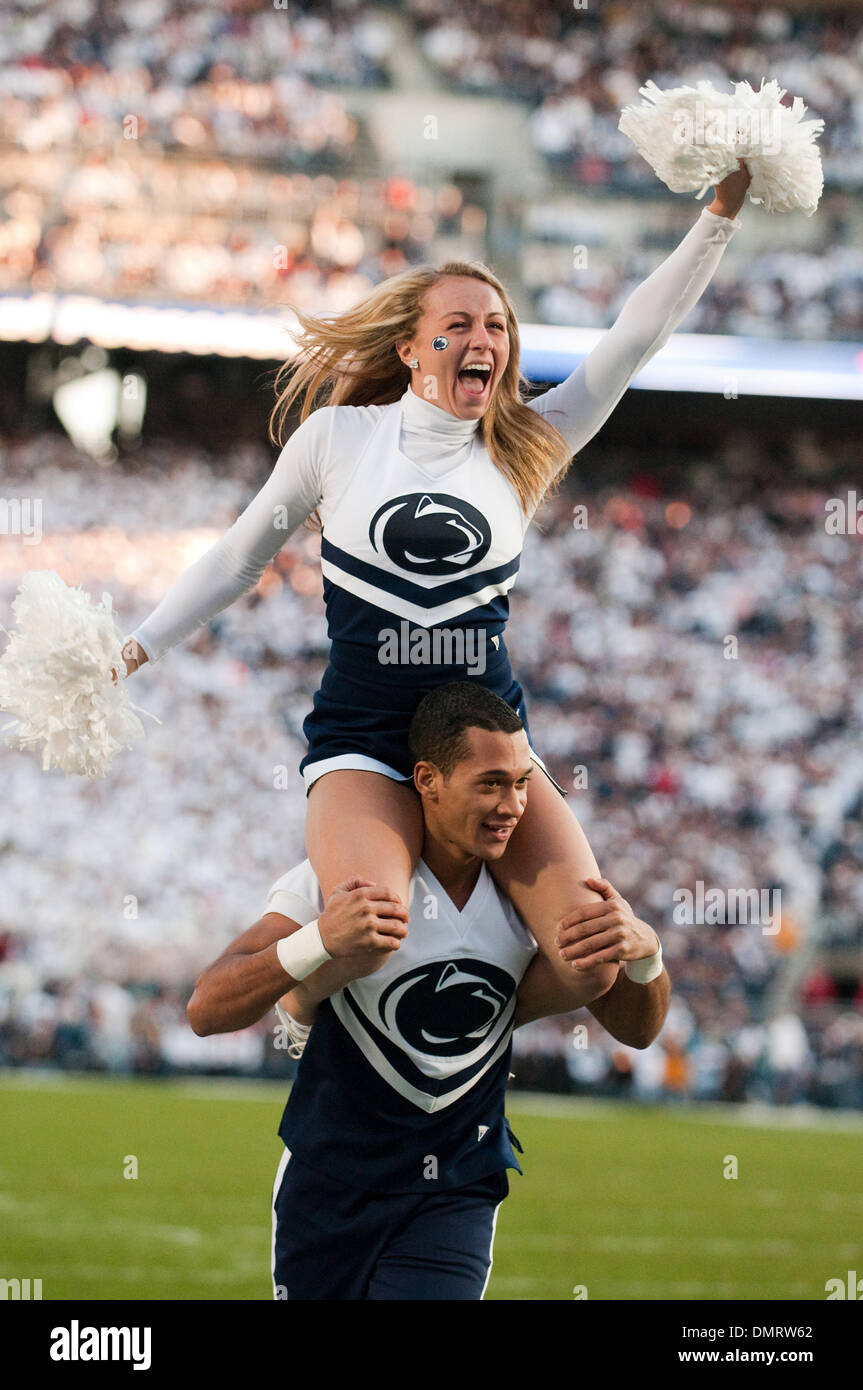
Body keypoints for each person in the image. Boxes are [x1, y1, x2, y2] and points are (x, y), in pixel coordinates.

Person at [124, 165, 750, 1019]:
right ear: (411, 348)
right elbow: (238, 559)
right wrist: (138, 646)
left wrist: (718, 215)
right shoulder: (338, 438)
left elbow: (634, 337)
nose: (483, 339)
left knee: (590, 946)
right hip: (367, 737)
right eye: (458, 325)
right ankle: (301, 1005)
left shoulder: (527, 446)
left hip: (490, 747)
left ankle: (485, 1037)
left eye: (497, 326)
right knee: (371, 927)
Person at [187, 682, 670, 1300]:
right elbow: (206, 1007)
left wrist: (647, 956)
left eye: (523, 782)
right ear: (428, 780)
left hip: (457, 1188)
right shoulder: (344, 878)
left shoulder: (537, 903)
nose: (514, 805)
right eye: (491, 782)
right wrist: (320, 940)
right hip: (330, 1182)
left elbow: (638, 1028)